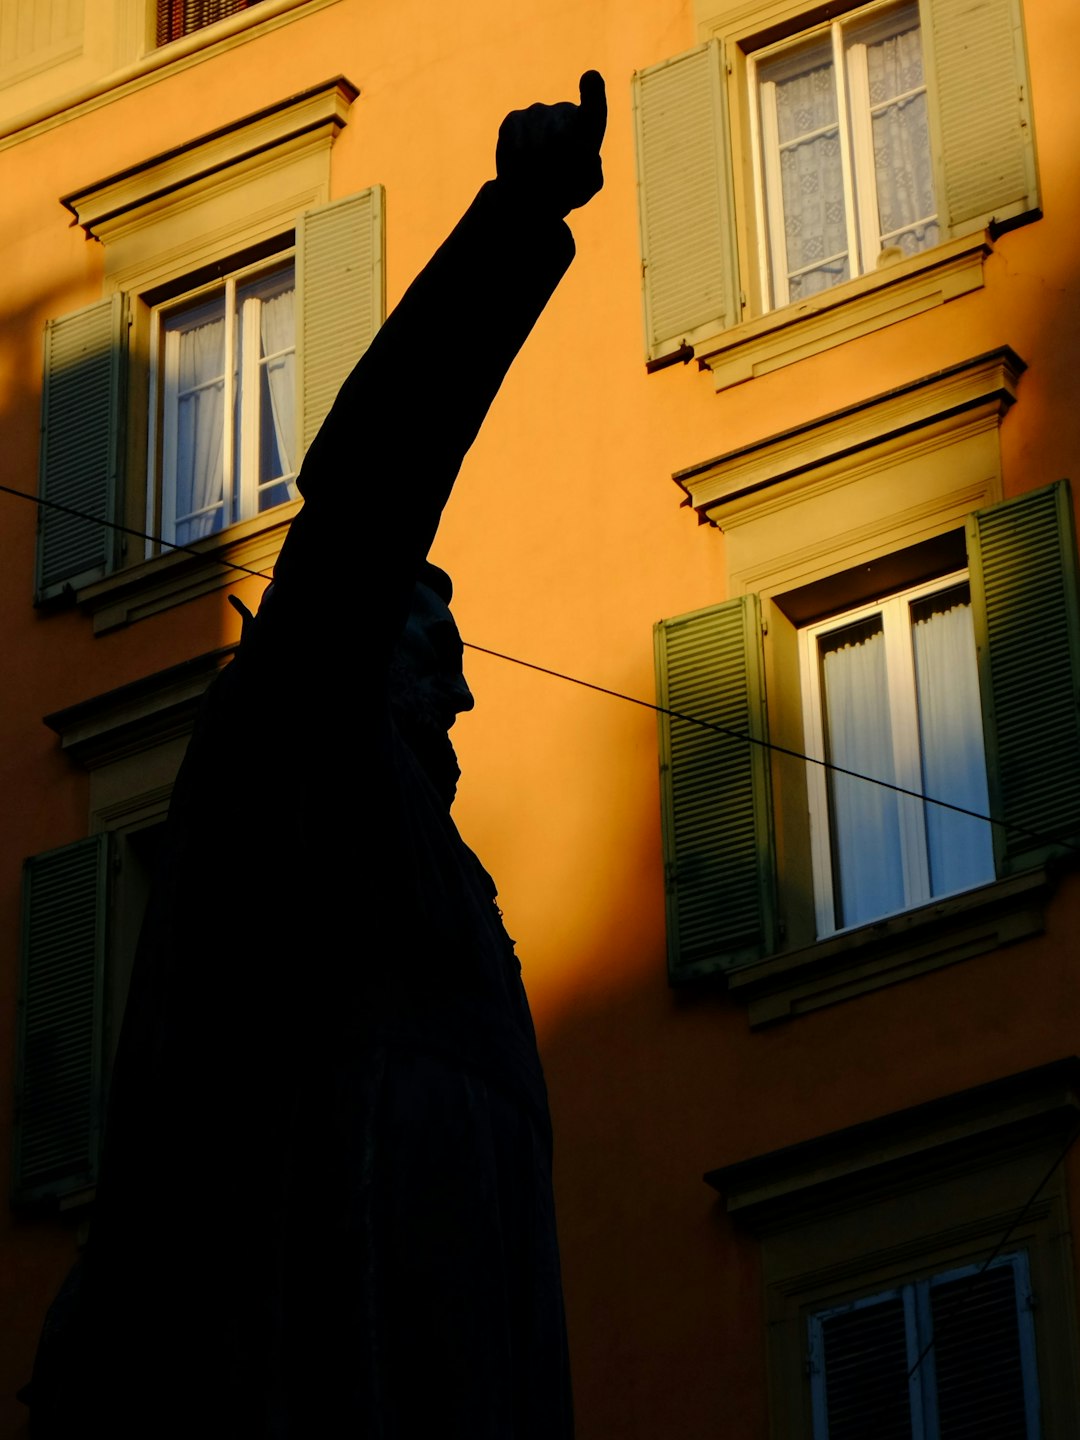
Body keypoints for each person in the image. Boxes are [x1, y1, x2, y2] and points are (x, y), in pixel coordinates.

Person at [26, 72, 606, 1438]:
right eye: (432, 653)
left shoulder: (430, 848)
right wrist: (518, 223)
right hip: (342, 1319)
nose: (462, 699)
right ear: (360, 644)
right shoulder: (300, 733)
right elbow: (373, 490)